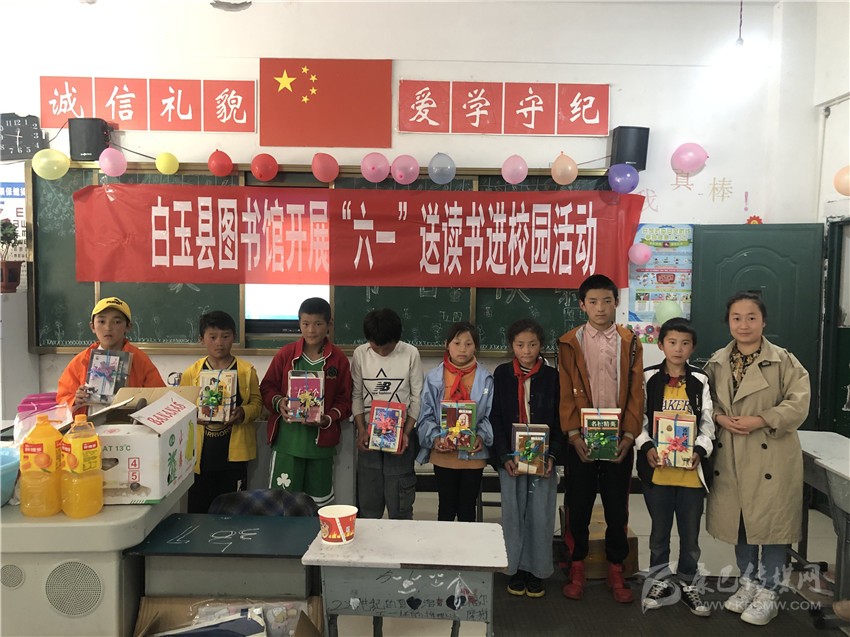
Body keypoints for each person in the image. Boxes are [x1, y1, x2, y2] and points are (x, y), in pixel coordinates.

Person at [705, 290, 810, 626]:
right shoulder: (717, 361)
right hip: (731, 454)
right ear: (728, 322)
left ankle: (770, 591)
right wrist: (720, 418)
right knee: (740, 522)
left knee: (773, 525)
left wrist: (762, 419)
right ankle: (748, 582)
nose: (744, 324)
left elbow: (798, 403)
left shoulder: (784, 361)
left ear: (763, 321)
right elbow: (706, 401)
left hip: (772, 456)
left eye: (751, 317)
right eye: (736, 318)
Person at [558, 274, 644, 603]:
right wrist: (573, 433)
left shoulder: (629, 341)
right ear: (582, 305)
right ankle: (577, 565)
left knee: (616, 507)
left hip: (618, 437)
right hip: (581, 438)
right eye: (593, 302)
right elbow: (565, 391)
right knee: (578, 504)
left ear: (616, 303)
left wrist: (629, 434)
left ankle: (616, 569)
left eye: (607, 301)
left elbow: (636, 392)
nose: (600, 308)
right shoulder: (570, 342)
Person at [635, 318, 715, 616]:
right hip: (658, 471)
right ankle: (658, 580)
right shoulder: (648, 377)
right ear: (660, 345)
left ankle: (688, 581)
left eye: (685, 343)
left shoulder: (701, 380)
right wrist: (646, 446)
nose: (678, 348)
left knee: (690, 537)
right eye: (672, 342)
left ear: (693, 347)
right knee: (659, 534)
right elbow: (639, 419)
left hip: (691, 474)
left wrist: (700, 450)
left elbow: (708, 422)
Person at [490, 318, 564, 598]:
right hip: (511, 456)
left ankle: (537, 570)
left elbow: (560, 419)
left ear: (540, 345)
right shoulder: (502, 374)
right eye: (520, 345)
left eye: (532, 344)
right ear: (512, 345)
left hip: (543, 458)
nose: (526, 350)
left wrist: (553, 455)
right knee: (513, 515)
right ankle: (515, 568)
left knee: (540, 514)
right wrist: (502, 456)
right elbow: (495, 417)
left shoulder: (552, 376)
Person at [260, 297, 352, 507]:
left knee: (318, 506)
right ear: (299, 323)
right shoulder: (286, 354)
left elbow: (345, 399)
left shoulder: (338, 359)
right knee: (282, 504)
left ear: (329, 324)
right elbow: (267, 387)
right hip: (288, 443)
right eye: (306, 324)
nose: (311, 330)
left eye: (318, 324)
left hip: (320, 447)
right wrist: (279, 403)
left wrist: (328, 418)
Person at [180, 311, 263, 514]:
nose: (219, 342)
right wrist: (193, 416)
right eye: (213, 337)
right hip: (201, 457)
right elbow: (181, 407)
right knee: (199, 512)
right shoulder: (192, 372)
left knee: (234, 511)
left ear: (234, 337)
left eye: (225, 336)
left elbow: (257, 403)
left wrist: (243, 412)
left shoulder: (246, 371)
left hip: (234, 458)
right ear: (202, 339)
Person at [416, 321, 494, 522]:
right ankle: (444, 544)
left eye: (468, 344)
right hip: (443, 455)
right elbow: (425, 414)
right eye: (457, 343)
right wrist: (435, 438)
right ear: (447, 345)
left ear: (476, 346)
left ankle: (467, 544)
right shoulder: (434, 377)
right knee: (446, 507)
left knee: (468, 509)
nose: (462, 349)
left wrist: (481, 436)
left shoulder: (485, 378)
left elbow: (489, 415)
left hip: (473, 457)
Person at [352, 308, 424, 519]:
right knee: (368, 503)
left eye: (387, 348)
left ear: (397, 339)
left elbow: (417, 397)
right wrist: (361, 430)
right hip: (369, 435)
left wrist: (406, 433)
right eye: (377, 347)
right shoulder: (360, 354)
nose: (382, 352)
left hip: (401, 436)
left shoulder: (410, 353)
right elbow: (356, 394)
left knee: (400, 503)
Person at [57, 296, 164, 414]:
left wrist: (137, 398)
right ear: (92, 326)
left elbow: (160, 397)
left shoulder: (140, 360)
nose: (108, 328)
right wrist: (75, 401)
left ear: (128, 327)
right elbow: (62, 401)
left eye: (117, 322)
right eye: (102, 322)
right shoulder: (81, 361)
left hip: (129, 423)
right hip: (89, 424)